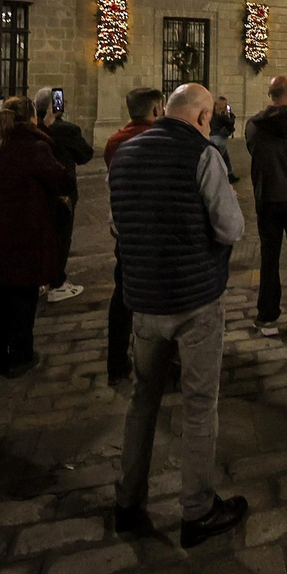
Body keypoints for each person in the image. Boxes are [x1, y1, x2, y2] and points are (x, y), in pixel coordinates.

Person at [110, 83, 247, 549]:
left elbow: (117, 223)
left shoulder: (125, 154)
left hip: (144, 300)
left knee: (141, 400)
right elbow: (231, 227)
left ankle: (127, 502)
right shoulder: (202, 154)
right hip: (194, 300)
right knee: (198, 405)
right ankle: (197, 509)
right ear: (203, 117)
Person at [0, 96, 72, 379]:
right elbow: (61, 178)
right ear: (31, 118)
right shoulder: (34, 146)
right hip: (25, 233)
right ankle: (20, 356)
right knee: (24, 297)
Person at [102, 87, 164, 385]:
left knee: (123, 294)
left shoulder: (115, 142)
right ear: (155, 111)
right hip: (157, 229)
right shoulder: (160, 140)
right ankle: (157, 361)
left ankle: (116, 361)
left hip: (126, 229)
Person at [246, 76, 287, 338]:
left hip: (267, 197)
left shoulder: (253, 125)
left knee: (269, 258)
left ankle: (268, 316)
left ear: (270, 94)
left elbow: (253, 150)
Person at [33, 88, 94, 303]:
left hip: (38, 191)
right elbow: (85, 154)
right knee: (61, 236)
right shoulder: (66, 130)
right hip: (62, 193)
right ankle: (57, 282)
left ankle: (41, 278)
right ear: (52, 106)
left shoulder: (34, 127)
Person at [210, 96, 238, 184]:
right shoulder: (222, 116)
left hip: (212, 136)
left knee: (226, 157)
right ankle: (215, 179)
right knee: (218, 160)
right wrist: (231, 114)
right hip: (220, 139)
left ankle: (230, 175)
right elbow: (230, 122)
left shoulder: (212, 113)